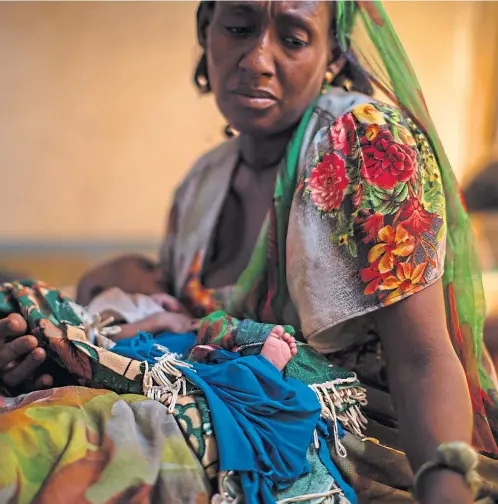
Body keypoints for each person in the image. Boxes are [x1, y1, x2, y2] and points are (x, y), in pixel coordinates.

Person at [0, 1, 497, 503]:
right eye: (239, 28)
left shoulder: (364, 145)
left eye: (295, 39)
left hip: (353, 443)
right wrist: (52, 358)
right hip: (217, 414)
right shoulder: (200, 185)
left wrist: (446, 483)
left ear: (333, 55)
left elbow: (422, 357)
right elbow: (170, 345)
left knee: (57, 445)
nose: (258, 59)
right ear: (206, 32)